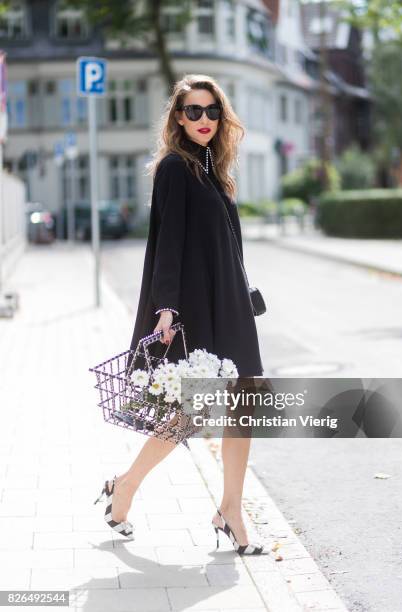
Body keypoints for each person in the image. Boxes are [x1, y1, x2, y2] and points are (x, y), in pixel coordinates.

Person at [94, 74, 268, 555]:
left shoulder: (212, 169)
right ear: (177, 116)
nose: (205, 119)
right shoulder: (175, 168)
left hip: (230, 303)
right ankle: (125, 485)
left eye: (212, 111)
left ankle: (230, 509)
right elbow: (167, 242)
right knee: (186, 414)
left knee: (243, 406)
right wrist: (165, 307)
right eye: (194, 111)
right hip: (195, 305)